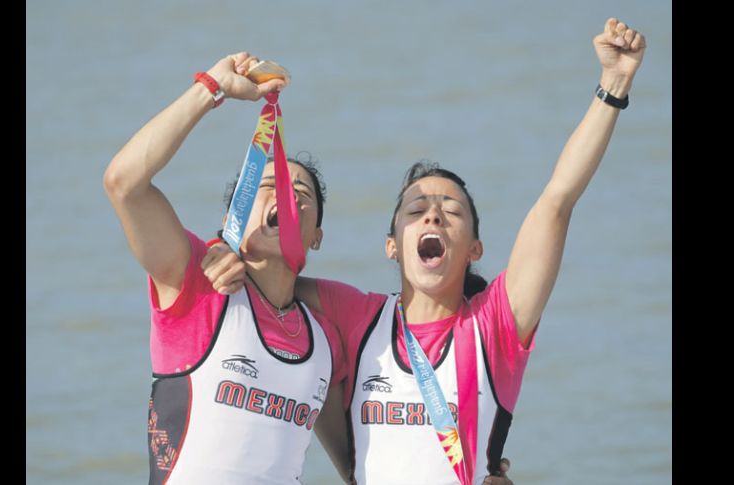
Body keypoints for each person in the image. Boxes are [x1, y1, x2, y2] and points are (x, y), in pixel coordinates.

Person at [204, 18, 646, 484]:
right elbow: (270, 276)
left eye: (450, 211)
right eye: (417, 209)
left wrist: (613, 84)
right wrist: (221, 248)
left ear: (474, 247)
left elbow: (558, 199)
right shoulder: (358, 317)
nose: (433, 216)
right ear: (392, 246)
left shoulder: (494, 324)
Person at [103, 52, 351, 484]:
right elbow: (124, 184)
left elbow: (358, 467)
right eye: (269, 186)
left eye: (300, 193)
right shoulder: (197, 284)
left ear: (316, 237)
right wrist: (211, 88)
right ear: (236, 213)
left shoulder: (326, 338)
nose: (287, 200)